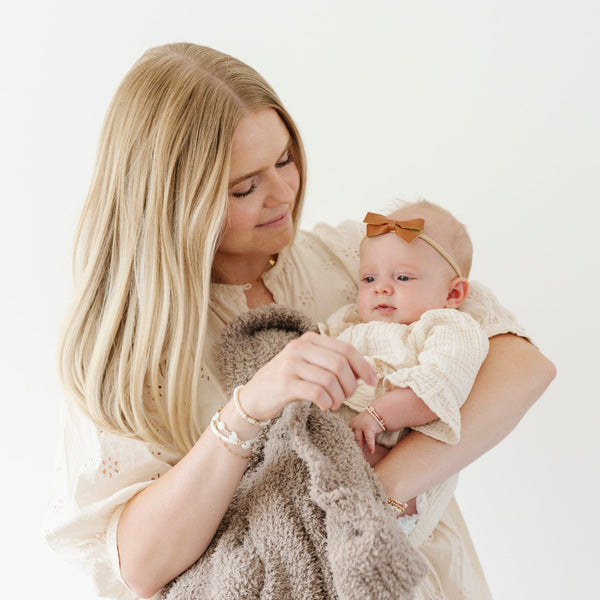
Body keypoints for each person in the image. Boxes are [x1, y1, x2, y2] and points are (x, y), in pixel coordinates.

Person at [44, 42, 555, 600]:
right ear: (175, 200)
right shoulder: (132, 349)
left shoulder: (356, 262)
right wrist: (245, 411)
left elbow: (522, 365)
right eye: (245, 187)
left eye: (285, 160)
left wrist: (369, 498)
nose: (284, 193)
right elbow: (139, 566)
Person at [319, 201, 488, 543]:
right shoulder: (349, 322)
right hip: (337, 446)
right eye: (369, 278)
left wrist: (376, 417)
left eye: (402, 277)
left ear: (453, 293)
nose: (380, 288)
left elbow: (437, 389)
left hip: (395, 450)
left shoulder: (447, 327)